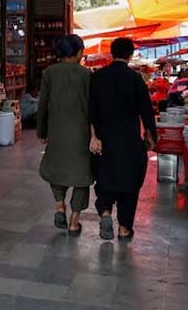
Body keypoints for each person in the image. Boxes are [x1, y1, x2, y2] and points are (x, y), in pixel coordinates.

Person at [90, 37, 157, 242]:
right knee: (129, 183)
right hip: (129, 141)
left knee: (104, 178)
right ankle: (124, 228)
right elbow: (147, 111)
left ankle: (105, 213)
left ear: (112, 53)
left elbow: (90, 110)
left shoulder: (97, 77)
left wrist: (93, 136)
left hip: (104, 139)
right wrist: (151, 136)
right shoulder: (135, 78)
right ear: (130, 55)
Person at [37, 35, 93, 236]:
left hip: (57, 131)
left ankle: (59, 206)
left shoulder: (49, 73)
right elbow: (93, 108)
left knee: (56, 169)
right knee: (82, 176)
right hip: (81, 134)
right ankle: (74, 221)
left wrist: (41, 131)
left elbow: (42, 104)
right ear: (78, 52)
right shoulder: (87, 75)